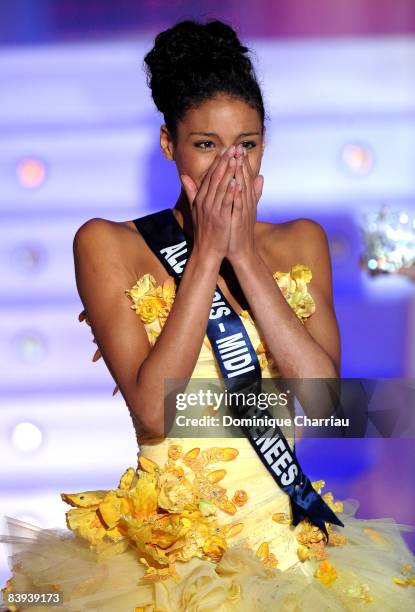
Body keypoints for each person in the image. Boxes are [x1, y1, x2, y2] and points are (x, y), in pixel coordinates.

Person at [1, 18, 415, 612]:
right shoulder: (107, 244)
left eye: (246, 145)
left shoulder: (300, 242)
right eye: (206, 145)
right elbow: (153, 409)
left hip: (288, 557)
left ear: (265, 144)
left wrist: (244, 256)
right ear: (169, 144)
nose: (230, 168)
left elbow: (325, 406)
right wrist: (207, 257)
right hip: (164, 559)